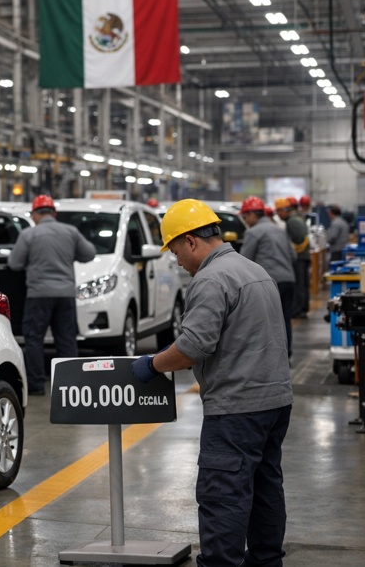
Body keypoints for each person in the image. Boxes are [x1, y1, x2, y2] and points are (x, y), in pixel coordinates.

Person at [132, 199, 292, 567]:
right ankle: (267, 561)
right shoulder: (254, 270)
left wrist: (153, 365)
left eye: (176, 251)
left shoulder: (210, 278)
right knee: (265, 488)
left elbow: (193, 347)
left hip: (237, 407)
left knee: (223, 493)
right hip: (275, 400)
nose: (178, 262)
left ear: (191, 241)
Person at [8, 195, 96, 395]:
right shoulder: (70, 232)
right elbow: (89, 253)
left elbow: (14, 263)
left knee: (34, 339)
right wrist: (70, 253)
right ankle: (70, 385)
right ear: (53, 213)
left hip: (38, 295)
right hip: (65, 295)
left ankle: (37, 385)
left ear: (35, 214)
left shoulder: (28, 235)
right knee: (66, 340)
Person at [239, 196, 297, 357]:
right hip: (289, 280)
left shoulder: (253, 232)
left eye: (245, 217)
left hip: (270, 283)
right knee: (285, 320)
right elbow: (293, 256)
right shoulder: (279, 230)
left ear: (252, 215)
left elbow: (244, 261)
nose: (245, 221)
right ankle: (286, 355)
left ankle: (271, 358)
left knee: (267, 322)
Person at [276, 198, 310, 319]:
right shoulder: (297, 218)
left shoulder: (292, 221)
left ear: (283, 210)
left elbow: (298, 240)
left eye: (278, 211)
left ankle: (297, 310)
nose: (278, 215)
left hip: (299, 257)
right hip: (304, 256)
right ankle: (303, 308)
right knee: (303, 284)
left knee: (299, 284)